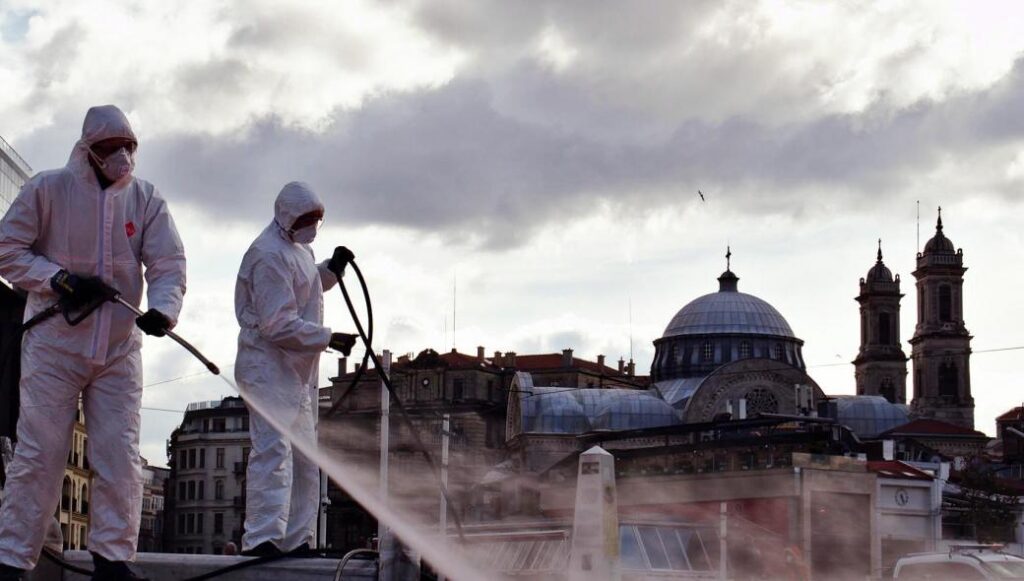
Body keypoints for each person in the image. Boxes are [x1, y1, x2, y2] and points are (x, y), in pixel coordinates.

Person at [0, 105, 186, 581]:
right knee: (38, 454)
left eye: (129, 147)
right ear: (88, 150)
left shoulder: (145, 200)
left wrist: (163, 309)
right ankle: (12, 558)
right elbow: (7, 250)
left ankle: (113, 558)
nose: (122, 156)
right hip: (54, 345)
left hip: (119, 351)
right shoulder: (47, 189)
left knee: (120, 455)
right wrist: (58, 279)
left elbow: (167, 263)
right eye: (111, 148)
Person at [234, 181, 356, 556]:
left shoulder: (297, 248)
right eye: (307, 218)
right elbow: (277, 323)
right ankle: (262, 538)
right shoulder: (267, 255)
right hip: (267, 368)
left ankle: (296, 539)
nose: (313, 225)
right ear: (287, 216)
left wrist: (331, 270)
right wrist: (328, 338)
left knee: (306, 460)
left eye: (318, 218)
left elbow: (306, 285)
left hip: (295, 374)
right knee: (273, 452)